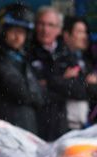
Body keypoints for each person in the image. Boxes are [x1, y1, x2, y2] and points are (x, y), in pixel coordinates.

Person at [0, 4, 45, 134]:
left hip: (25, 129)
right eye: (13, 31)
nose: (17, 36)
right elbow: (22, 93)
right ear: (4, 31)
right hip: (6, 129)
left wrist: (35, 94)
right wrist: (34, 94)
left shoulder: (22, 58)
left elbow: (39, 98)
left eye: (22, 32)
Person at [29, 6, 73, 140]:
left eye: (50, 25)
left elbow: (79, 90)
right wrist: (62, 80)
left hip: (62, 126)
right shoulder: (27, 52)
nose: (45, 29)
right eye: (41, 24)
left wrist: (49, 82)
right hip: (35, 126)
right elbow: (33, 92)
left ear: (59, 29)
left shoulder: (67, 53)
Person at [61, 16, 97, 130]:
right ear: (66, 35)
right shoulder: (58, 58)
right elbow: (65, 88)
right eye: (79, 32)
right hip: (62, 125)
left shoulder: (86, 59)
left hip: (83, 125)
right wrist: (87, 83)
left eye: (85, 32)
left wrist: (85, 84)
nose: (84, 36)